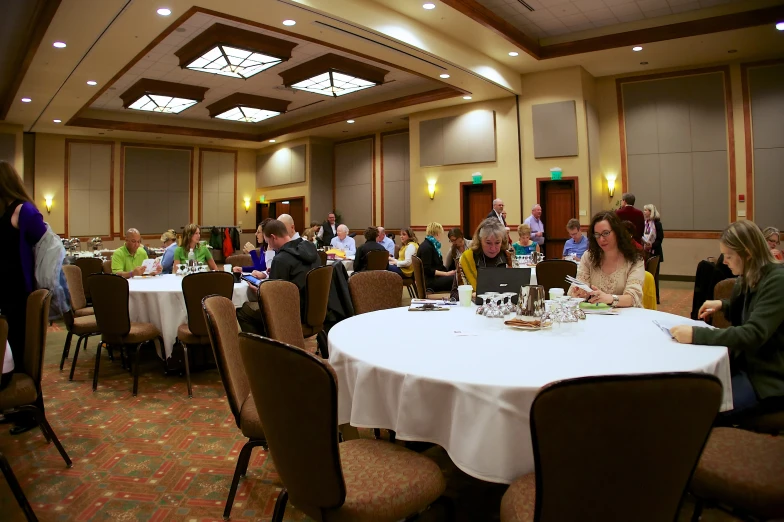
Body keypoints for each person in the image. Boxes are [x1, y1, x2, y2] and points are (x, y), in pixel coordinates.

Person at [671, 221, 784, 419]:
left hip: (765, 378)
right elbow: (752, 307)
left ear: (748, 253)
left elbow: (753, 334)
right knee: (687, 394)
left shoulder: (777, 281)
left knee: (696, 411)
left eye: (730, 256)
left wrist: (696, 334)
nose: (724, 261)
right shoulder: (750, 275)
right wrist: (724, 305)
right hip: (743, 365)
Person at [0, 161, 46, 433]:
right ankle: (17, 407)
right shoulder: (4, 212)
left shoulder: (23, 210)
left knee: (23, 351)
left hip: (20, 293)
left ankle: (32, 412)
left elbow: (46, 247)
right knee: (10, 352)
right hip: (4, 292)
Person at [568, 211, 645, 308]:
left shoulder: (634, 259)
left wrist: (610, 299)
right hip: (597, 316)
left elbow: (633, 297)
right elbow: (578, 286)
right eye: (597, 235)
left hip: (627, 318)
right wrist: (580, 293)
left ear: (617, 232)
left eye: (606, 233)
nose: (601, 239)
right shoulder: (589, 257)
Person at [263, 219, 321, 321]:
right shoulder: (311, 249)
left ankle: (275, 335)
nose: (270, 246)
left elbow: (273, 296)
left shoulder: (281, 259)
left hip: (292, 314)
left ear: (273, 237)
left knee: (245, 311)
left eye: (268, 242)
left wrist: (259, 291)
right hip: (317, 309)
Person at [458, 218, 510, 292]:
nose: (493, 248)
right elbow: (455, 294)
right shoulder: (466, 258)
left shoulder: (508, 257)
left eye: (497, 243)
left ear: (502, 241)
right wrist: (471, 296)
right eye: (488, 243)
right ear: (480, 240)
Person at [416, 222, 455, 292]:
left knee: (455, 276)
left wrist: (448, 272)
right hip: (429, 281)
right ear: (437, 234)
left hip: (432, 278)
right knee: (456, 279)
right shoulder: (427, 248)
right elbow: (427, 270)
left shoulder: (430, 245)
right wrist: (446, 274)